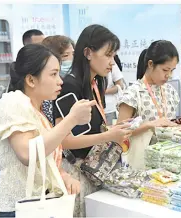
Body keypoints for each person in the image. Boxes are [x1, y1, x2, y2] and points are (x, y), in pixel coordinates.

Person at [0, 44, 95, 217]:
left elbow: (46, 155)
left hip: (40, 204)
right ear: (31, 80)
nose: (60, 81)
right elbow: (27, 154)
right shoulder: (14, 102)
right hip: (20, 209)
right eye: (53, 74)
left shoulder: (36, 109)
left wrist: (64, 176)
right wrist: (71, 119)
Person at [53, 25, 132, 217]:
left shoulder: (98, 81)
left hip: (94, 170)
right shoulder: (70, 86)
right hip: (75, 172)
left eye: (114, 56)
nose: (112, 62)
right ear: (88, 53)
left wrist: (114, 130)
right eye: (108, 55)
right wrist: (108, 135)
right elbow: (64, 141)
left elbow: (92, 129)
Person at [118, 40, 179, 134]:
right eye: (165, 70)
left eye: (172, 70)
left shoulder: (170, 90)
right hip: (142, 148)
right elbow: (119, 132)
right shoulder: (133, 93)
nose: (169, 75)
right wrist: (149, 125)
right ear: (150, 64)